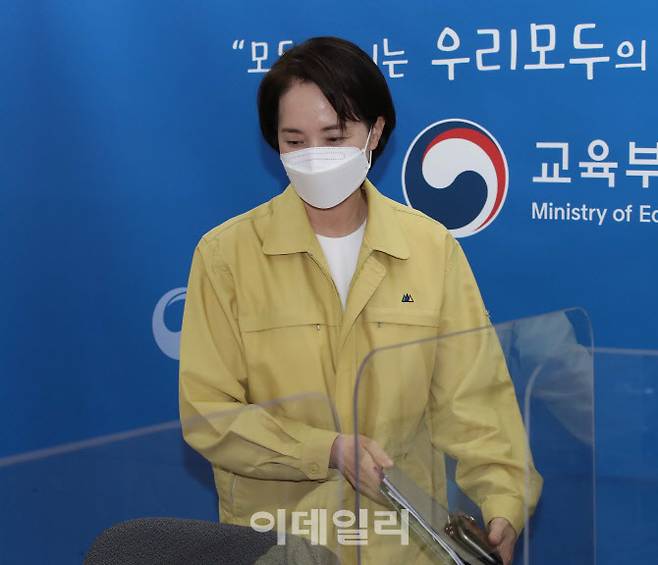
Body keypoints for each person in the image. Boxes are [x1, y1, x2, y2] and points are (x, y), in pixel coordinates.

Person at [179, 36, 542, 564]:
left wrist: (502, 503)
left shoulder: (429, 248)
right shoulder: (226, 256)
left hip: (405, 545)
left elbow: (475, 400)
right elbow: (208, 413)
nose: (314, 156)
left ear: (374, 131)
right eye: (294, 140)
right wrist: (324, 449)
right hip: (285, 544)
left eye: (334, 136)